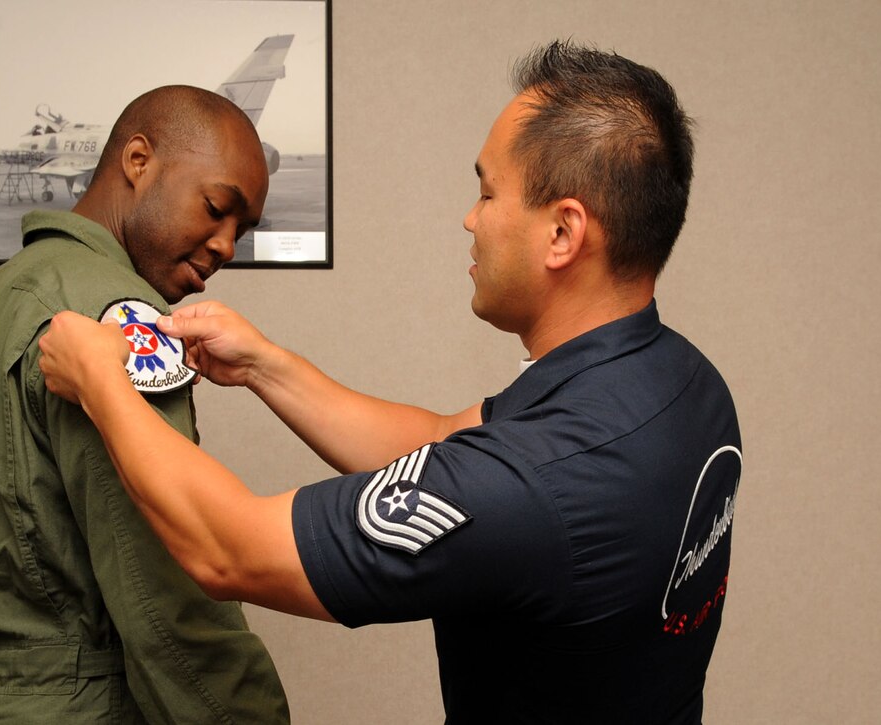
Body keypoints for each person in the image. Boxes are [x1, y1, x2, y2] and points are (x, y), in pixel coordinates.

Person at [39, 42, 743, 724]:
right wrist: (262, 364)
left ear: (563, 232)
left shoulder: (537, 484)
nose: (471, 218)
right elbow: (439, 441)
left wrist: (102, 380)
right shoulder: (685, 384)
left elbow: (231, 549)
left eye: (487, 191)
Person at [0, 86, 289, 723]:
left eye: (243, 229)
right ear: (138, 161)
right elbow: (168, 589)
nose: (227, 246)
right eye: (215, 208)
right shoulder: (120, 323)